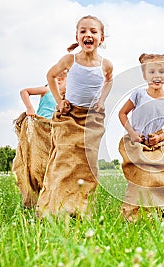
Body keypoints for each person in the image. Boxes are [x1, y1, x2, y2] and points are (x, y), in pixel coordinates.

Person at [35, 15, 113, 218]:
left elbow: (109, 81)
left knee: (87, 165)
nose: (88, 34)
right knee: (64, 160)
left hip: (91, 120)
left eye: (93, 32)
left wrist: (102, 100)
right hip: (69, 117)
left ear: (101, 38)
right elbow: (50, 75)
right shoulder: (70, 60)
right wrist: (60, 102)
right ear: (77, 37)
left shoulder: (105, 64)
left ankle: (78, 208)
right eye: (83, 31)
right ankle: (53, 208)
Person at [118, 53, 164, 222]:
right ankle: (132, 214)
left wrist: (159, 138)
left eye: (161, 71)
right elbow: (122, 113)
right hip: (136, 141)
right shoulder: (139, 94)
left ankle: (162, 211)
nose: (156, 76)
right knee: (141, 177)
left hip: (157, 142)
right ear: (145, 75)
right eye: (151, 72)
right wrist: (132, 133)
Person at [12, 71, 67, 208]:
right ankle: (33, 196)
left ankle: (51, 198)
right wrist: (29, 107)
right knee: (37, 161)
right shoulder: (47, 89)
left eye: (65, 79)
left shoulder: (65, 99)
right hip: (40, 128)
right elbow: (24, 91)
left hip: (54, 130)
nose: (60, 81)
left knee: (52, 161)